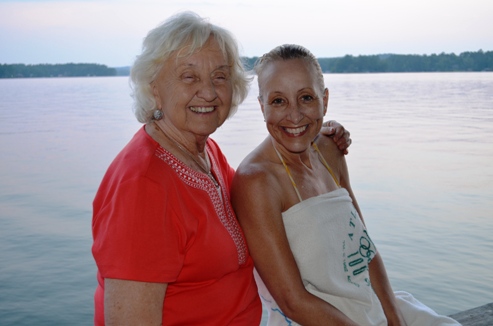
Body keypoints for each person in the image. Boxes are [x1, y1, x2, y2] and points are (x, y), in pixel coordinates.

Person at [91, 13, 351, 325]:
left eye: (220, 76)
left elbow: (262, 185)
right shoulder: (142, 185)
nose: (209, 92)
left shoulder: (204, 151)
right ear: (155, 87)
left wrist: (314, 133)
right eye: (189, 77)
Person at [231, 44, 461, 326]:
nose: (294, 115)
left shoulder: (329, 150)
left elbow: (365, 247)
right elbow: (292, 301)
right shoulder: (257, 181)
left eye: (306, 98)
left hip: (368, 305)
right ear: (261, 105)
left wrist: (394, 316)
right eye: (278, 101)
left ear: (324, 101)